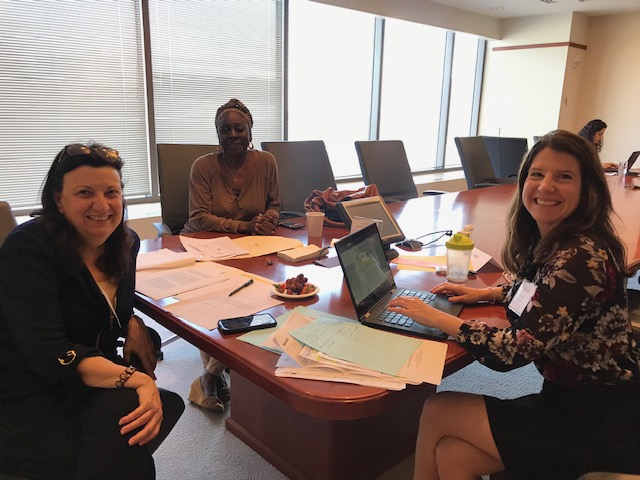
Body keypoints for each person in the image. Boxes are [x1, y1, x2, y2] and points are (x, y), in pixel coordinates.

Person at [388, 130, 640, 479]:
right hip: (570, 400)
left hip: (602, 420)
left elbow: (514, 352)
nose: (546, 186)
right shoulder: (559, 240)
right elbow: (544, 293)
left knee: (437, 408)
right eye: (537, 174)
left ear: (588, 190)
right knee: (453, 456)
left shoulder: (580, 256)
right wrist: (487, 294)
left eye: (564, 176)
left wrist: (438, 318)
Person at [0, 143, 185, 480]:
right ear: (59, 200)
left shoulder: (126, 242)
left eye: (111, 192)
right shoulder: (27, 248)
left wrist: (132, 323)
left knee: (149, 415)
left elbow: (107, 310)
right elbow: (48, 351)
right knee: (131, 426)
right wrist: (136, 379)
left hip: (87, 379)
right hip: (29, 387)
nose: (101, 206)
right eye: (85, 192)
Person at [182, 98, 281, 412]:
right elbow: (199, 217)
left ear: (250, 131)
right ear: (218, 134)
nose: (234, 134)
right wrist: (245, 226)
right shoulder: (203, 166)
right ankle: (211, 375)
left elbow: (275, 205)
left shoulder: (267, 161)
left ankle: (211, 375)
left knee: (264, 295)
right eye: (226, 129)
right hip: (204, 245)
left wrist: (268, 221)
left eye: (240, 128)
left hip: (250, 247)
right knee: (219, 299)